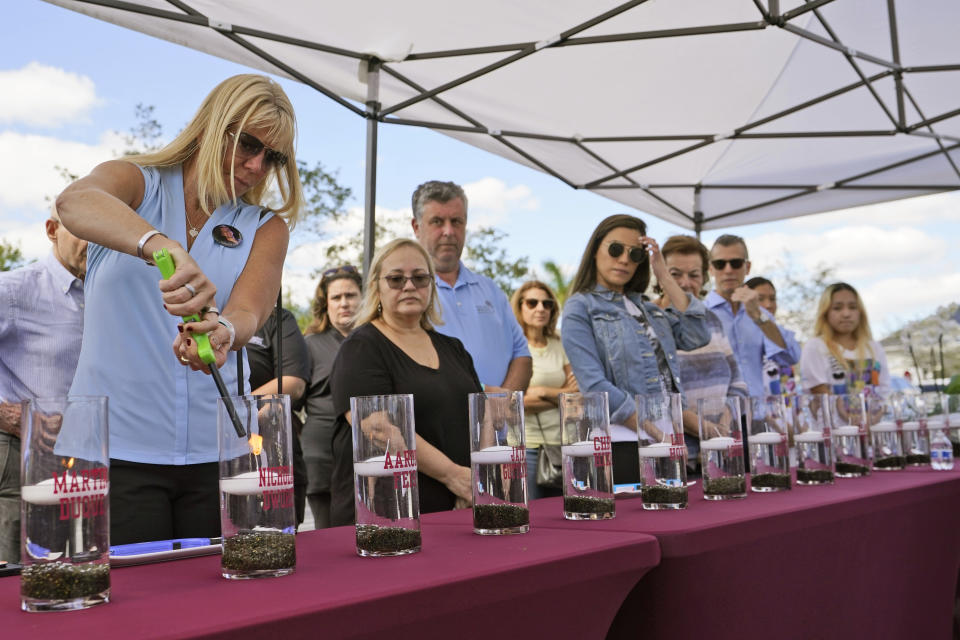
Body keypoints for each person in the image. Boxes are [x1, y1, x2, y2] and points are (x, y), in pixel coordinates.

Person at [56, 74, 303, 544]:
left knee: (222, 605)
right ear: (211, 127)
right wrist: (156, 243)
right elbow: (74, 201)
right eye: (248, 144)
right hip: (111, 450)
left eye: (272, 157)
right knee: (116, 607)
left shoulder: (264, 226)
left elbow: (249, 310)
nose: (255, 166)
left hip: (220, 454)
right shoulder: (135, 183)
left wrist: (223, 329)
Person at [328, 238, 481, 525]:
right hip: (387, 518)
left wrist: (472, 480)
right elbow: (380, 431)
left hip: (458, 509)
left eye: (420, 278)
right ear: (376, 287)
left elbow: (479, 417)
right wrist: (455, 476)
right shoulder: (361, 347)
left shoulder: (454, 348)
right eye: (396, 279)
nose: (409, 286)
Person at [561, 215, 709, 484]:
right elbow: (594, 385)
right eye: (615, 249)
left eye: (635, 254)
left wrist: (663, 273)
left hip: (666, 440)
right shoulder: (580, 307)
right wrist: (656, 433)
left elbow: (697, 335)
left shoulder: (648, 309)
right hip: (622, 445)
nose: (624, 259)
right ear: (595, 250)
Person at [0, 204, 87, 562]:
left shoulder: (111, 299)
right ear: (52, 230)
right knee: (14, 587)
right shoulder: (13, 291)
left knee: (76, 583)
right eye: (85, 231)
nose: (96, 244)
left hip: (89, 470)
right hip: (21, 468)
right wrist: (5, 413)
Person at [410, 180, 531, 391]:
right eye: (437, 221)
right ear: (416, 227)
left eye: (456, 221)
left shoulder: (491, 290)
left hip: (498, 421)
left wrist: (499, 405)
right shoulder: (408, 293)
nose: (448, 231)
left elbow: (522, 355)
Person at [657, 236, 748, 467]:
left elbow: (738, 383)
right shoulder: (649, 320)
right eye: (675, 274)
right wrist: (706, 430)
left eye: (694, 274)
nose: (685, 283)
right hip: (676, 456)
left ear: (704, 278)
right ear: (660, 275)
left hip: (722, 449)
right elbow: (658, 395)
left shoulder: (712, 320)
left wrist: (724, 427)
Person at [302, 265, 362, 528]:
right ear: (325, 304)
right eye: (336, 298)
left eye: (351, 295)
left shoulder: (376, 341)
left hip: (367, 451)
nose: (344, 303)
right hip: (321, 453)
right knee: (327, 537)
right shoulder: (309, 344)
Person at [706, 235, 801, 399]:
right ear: (711, 269)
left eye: (736, 263)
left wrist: (758, 316)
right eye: (720, 264)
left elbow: (790, 357)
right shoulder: (702, 313)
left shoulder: (760, 314)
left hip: (756, 414)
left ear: (747, 267)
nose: (728, 270)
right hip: (718, 415)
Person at [510, 281, 577, 499]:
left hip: (562, 445)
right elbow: (515, 403)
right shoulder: (513, 347)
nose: (540, 308)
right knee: (533, 517)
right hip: (527, 447)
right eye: (532, 302)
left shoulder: (560, 344)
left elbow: (577, 397)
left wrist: (540, 392)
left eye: (546, 304)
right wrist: (561, 394)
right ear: (520, 307)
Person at [246, 305, 312, 527]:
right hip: (207, 457)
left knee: (275, 539)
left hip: (270, 450)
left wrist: (234, 409)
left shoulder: (277, 318)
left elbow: (293, 382)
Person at [801, 282, 890, 395]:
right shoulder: (815, 347)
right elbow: (820, 393)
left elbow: (884, 392)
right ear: (825, 312)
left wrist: (877, 410)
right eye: (837, 308)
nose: (846, 314)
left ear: (860, 312)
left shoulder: (874, 348)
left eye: (852, 307)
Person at [745, 276, 799, 395]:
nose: (768, 305)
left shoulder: (782, 335)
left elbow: (794, 356)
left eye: (772, 299)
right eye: (760, 299)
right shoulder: (742, 339)